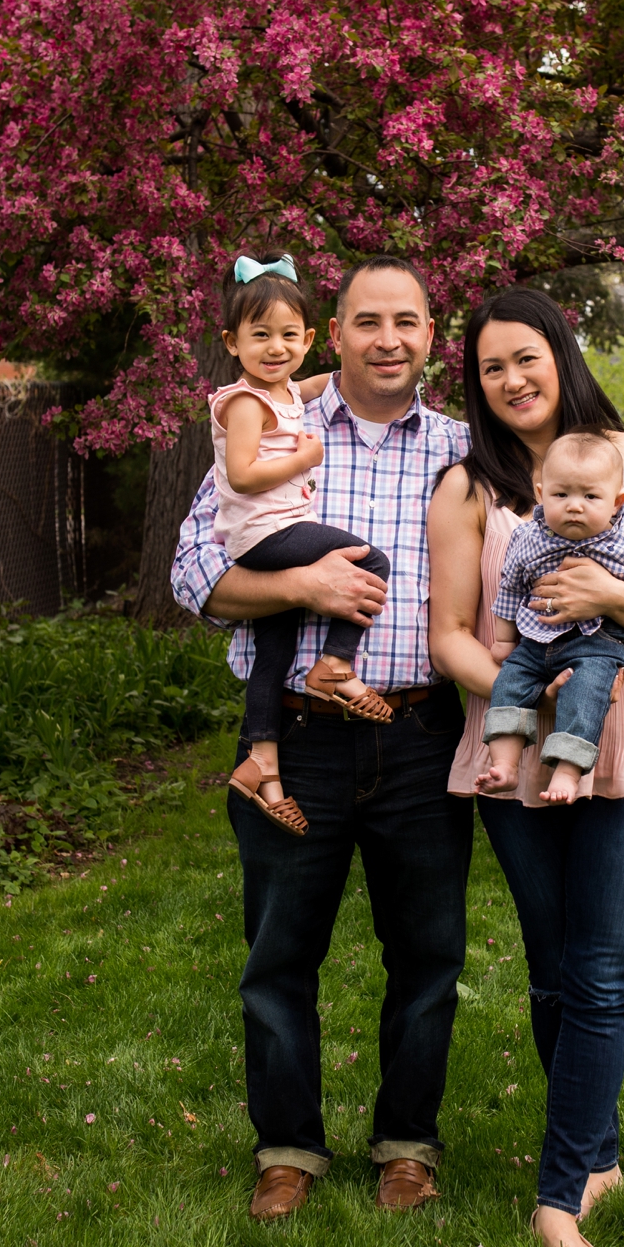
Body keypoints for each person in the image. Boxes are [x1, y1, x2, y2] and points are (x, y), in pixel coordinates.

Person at [170, 257, 624, 1225]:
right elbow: (194, 574)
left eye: (408, 321)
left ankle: (408, 1146)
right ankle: (287, 1146)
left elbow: (596, 478)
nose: (388, 337)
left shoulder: (474, 452)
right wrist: (301, 588)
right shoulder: (271, 427)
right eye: (367, 319)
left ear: (431, 338)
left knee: (427, 955)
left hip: (423, 732)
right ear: (332, 331)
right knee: (278, 955)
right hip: (296, 733)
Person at [426, 286, 624, 1247]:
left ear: (563, 351)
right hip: (522, 750)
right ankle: (597, 1155)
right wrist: (538, 707)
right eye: (491, 365)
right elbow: (450, 638)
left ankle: (558, 1199)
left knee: (599, 968)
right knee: (554, 969)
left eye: (527, 356)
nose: (511, 378)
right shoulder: (470, 487)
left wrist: (604, 593)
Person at [207, 255, 394, 836]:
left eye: (289, 335)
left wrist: (336, 376)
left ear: (311, 340)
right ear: (231, 343)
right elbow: (239, 475)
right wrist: (304, 459)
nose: (275, 347)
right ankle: (336, 666)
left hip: (263, 535)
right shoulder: (244, 402)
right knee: (371, 558)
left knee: (274, 646)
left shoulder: (284, 390)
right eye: (259, 336)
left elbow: (313, 385)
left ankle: (262, 763)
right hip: (267, 533)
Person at [476, 430, 624, 802]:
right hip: (536, 640)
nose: (574, 506)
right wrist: (505, 640)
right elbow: (510, 589)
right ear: (541, 494)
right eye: (561, 495)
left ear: (617, 502)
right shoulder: (527, 538)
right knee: (508, 685)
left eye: (590, 496)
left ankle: (567, 772)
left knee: (586, 695)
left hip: (597, 645)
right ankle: (504, 764)